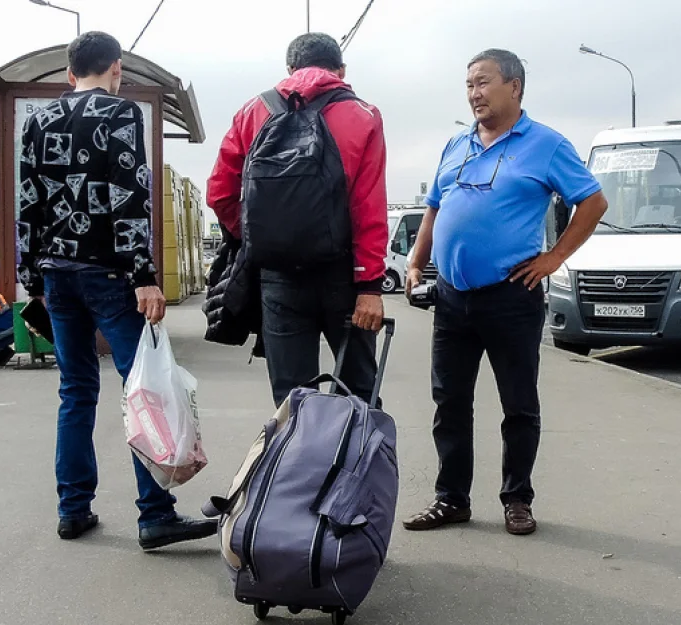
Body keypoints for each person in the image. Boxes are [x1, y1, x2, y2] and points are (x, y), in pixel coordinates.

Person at [16, 31, 217, 549]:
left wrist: (33, 279)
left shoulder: (37, 121)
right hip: (107, 274)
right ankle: (154, 515)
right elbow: (129, 197)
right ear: (117, 70)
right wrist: (145, 275)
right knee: (141, 388)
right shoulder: (120, 114)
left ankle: (73, 509)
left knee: (75, 391)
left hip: (57, 275)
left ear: (68, 73)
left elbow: (28, 203)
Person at [402, 49, 608, 535]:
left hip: (511, 297)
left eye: (483, 82)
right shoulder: (456, 144)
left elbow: (593, 202)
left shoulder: (547, 144)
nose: (474, 93)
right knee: (449, 402)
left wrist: (554, 258)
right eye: (469, 84)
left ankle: (517, 498)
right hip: (453, 298)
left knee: (518, 403)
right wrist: (415, 260)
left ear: (514, 86)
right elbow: (433, 208)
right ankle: (451, 499)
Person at [206, 32, 388, 407]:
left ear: (289, 70)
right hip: (344, 277)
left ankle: (297, 465)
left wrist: (258, 237)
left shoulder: (253, 111)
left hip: (279, 278)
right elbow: (368, 204)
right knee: (357, 396)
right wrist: (369, 285)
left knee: (292, 401)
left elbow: (219, 193)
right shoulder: (363, 115)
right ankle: (352, 466)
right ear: (340, 70)